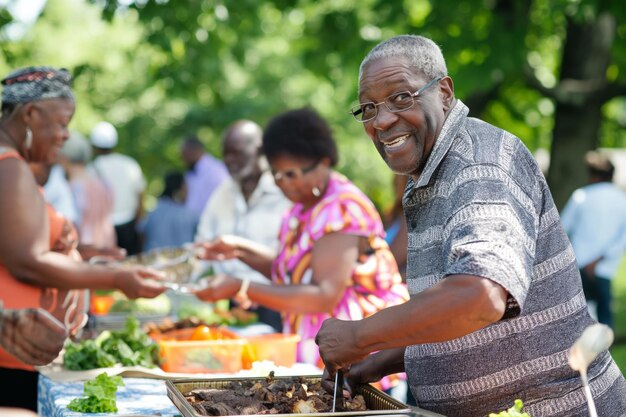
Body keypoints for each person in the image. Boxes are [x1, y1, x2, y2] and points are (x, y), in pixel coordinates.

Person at [314, 35, 626, 416]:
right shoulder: (431, 172)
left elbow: (479, 296)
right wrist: (378, 362)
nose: (381, 120)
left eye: (401, 97)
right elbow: (459, 319)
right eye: (368, 108)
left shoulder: (481, 164)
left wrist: (360, 336)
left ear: (444, 92)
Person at [0, 66, 166, 411]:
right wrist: (116, 278)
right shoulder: (9, 167)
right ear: (30, 114)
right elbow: (27, 262)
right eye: (61, 123)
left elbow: (17, 243)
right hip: (12, 355)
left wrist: (84, 255)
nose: (65, 136)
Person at [193, 108, 409, 366]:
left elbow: (323, 295)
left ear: (323, 162)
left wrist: (240, 287)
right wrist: (239, 250)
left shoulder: (341, 208)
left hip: (360, 360)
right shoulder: (300, 207)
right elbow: (293, 271)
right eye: (276, 174)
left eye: (291, 174)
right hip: (314, 352)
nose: (282, 183)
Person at [195, 120, 291, 332]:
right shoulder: (222, 193)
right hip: (234, 303)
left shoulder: (286, 189)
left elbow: (295, 260)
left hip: (280, 300)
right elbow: (202, 246)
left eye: (236, 153)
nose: (229, 161)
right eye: (226, 154)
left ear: (260, 150)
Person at [561, 151, 626, 328]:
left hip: (579, 265)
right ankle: (604, 354)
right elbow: (623, 238)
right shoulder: (622, 200)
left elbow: (562, 229)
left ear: (593, 175)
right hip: (606, 266)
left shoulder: (581, 196)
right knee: (604, 317)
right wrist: (599, 260)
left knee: (578, 315)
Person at [90, 121, 145, 255]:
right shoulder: (129, 164)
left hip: (104, 228)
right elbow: (140, 196)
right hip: (129, 225)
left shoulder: (91, 169)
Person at [59, 131, 117, 249]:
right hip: (107, 243)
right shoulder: (102, 182)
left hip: (84, 249)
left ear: (64, 158)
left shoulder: (71, 188)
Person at [140, 171, 198, 251]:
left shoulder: (153, 212)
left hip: (153, 259)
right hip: (181, 260)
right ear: (180, 188)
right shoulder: (190, 215)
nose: (188, 191)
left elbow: (142, 234)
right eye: (186, 187)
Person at [180, 134, 228, 217]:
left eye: (184, 153)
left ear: (196, 150)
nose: (182, 158)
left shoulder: (216, 170)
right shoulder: (190, 173)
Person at [383, 174, 408, 280]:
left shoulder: (410, 219)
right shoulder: (393, 215)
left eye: (402, 181)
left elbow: (393, 260)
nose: (397, 185)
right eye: (396, 181)